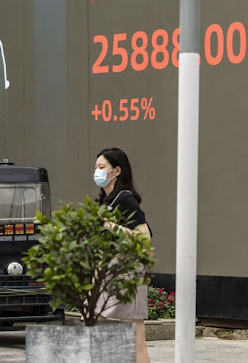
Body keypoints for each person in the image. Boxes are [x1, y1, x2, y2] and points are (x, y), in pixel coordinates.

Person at [93, 147, 152, 363]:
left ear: (117, 171)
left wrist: (109, 225)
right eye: (95, 167)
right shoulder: (104, 201)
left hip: (128, 270)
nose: (97, 172)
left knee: (135, 339)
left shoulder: (125, 199)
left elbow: (144, 237)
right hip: (108, 270)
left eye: (102, 167)